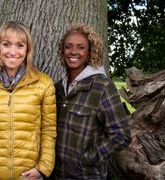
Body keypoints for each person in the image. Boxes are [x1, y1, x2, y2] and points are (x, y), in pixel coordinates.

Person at [0, 21, 57, 180]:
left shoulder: (44, 84)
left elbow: (49, 130)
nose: (13, 51)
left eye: (20, 45)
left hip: (29, 175)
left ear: (27, 50)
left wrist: (43, 167)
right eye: (6, 44)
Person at [52, 24, 131, 179]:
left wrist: (88, 158)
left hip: (86, 175)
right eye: (68, 47)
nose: (73, 52)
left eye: (81, 47)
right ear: (63, 50)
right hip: (56, 175)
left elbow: (121, 135)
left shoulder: (102, 87)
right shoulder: (58, 88)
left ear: (90, 52)